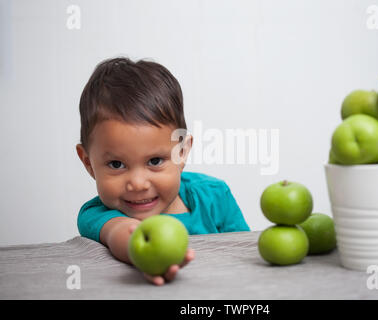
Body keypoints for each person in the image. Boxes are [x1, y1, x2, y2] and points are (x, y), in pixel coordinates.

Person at [75, 57, 250, 285]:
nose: (138, 183)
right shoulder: (98, 214)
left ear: (182, 152)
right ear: (88, 163)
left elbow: (244, 251)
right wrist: (145, 257)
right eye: (117, 164)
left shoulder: (215, 196)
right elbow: (123, 234)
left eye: (155, 161)